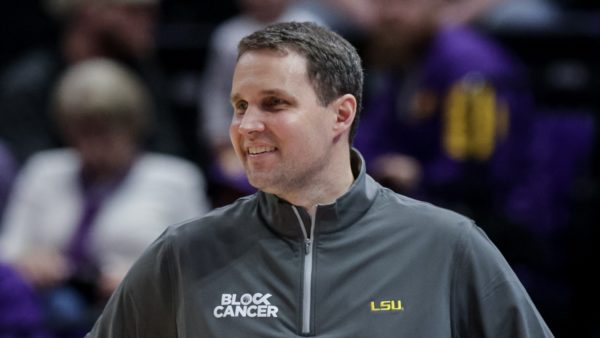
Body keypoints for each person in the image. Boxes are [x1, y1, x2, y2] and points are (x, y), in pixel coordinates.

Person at [86, 22, 553, 337]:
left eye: (274, 103)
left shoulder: (449, 246)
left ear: (341, 115)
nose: (246, 126)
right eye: (240, 106)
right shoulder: (183, 253)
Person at [0, 58, 211, 336]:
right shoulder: (45, 169)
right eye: (82, 131)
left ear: (134, 125)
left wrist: (142, 279)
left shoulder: (176, 178)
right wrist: (27, 260)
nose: (94, 144)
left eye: (106, 131)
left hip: (136, 316)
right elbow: (7, 248)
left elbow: (201, 268)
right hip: (49, 310)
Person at [0, 0, 185, 166]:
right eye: (133, 11)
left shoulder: (144, 74)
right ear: (89, 11)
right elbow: (32, 173)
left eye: (152, 12)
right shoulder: (28, 84)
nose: (150, 23)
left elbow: (169, 158)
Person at [198, 0, 322, 206]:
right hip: (244, 136)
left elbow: (320, 92)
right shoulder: (227, 36)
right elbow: (216, 94)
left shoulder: (312, 26)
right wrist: (221, 145)